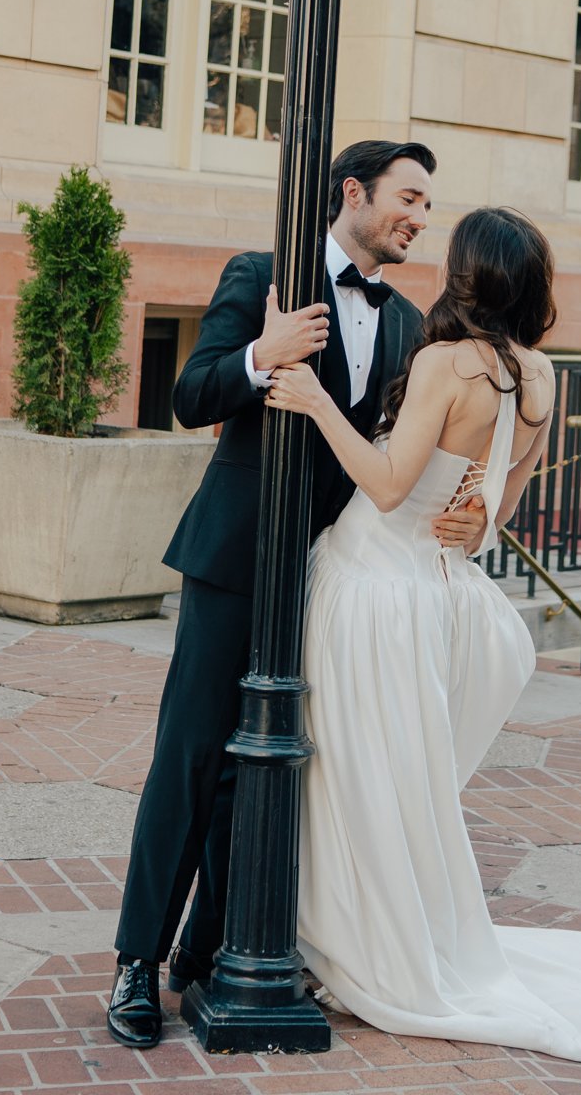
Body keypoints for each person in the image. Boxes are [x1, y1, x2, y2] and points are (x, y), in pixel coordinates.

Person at [266, 206, 581, 1063]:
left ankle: (357, 946)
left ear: (468, 276)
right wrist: (476, 524)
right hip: (436, 596)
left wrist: (312, 401)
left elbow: (387, 486)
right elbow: (500, 506)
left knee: (355, 779)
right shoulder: (539, 377)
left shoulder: (445, 364)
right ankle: (376, 934)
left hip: (372, 589)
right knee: (399, 785)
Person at [108, 139, 486, 1050]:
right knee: (193, 757)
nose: (419, 218)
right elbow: (187, 397)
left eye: (428, 205)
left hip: (329, 577)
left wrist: (473, 518)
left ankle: (210, 952)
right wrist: (259, 357)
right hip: (235, 561)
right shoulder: (261, 273)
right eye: (408, 197)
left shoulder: (406, 324)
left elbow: (409, 460)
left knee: (270, 769)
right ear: (352, 192)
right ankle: (135, 962)